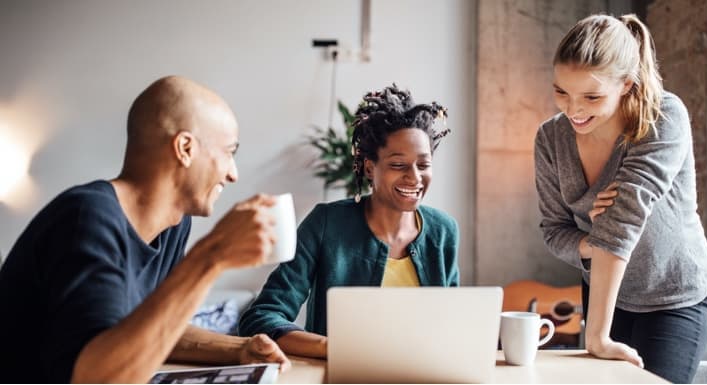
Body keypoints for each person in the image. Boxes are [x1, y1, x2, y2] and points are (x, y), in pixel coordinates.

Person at [0, 76, 290, 383]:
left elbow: (152, 328)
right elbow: (96, 378)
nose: (233, 173)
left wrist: (241, 349)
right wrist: (212, 255)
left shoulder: (174, 225)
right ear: (185, 148)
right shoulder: (87, 218)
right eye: (230, 152)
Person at [534, 14, 707, 383]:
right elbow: (554, 231)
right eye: (561, 92)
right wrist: (589, 242)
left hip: (673, 294)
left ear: (627, 85)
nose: (573, 109)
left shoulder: (662, 117)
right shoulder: (550, 139)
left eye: (592, 96)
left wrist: (597, 336)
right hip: (606, 294)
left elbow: (621, 224)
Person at [238, 84, 459, 358]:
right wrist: (333, 348)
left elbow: (451, 324)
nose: (414, 177)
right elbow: (261, 317)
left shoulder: (443, 231)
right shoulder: (326, 224)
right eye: (398, 165)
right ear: (369, 167)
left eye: (423, 165)